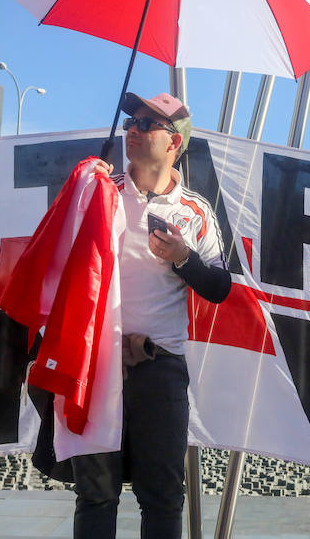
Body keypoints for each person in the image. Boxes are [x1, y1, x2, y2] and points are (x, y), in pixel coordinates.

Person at [73, 92, 231, 539]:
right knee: (95, 492)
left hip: (160, 367)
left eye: (147, 123)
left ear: (174, 143)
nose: (133, 129)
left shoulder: (195, 210)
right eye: (130, 121)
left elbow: (220, 288)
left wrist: (184, 257)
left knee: (161, 495)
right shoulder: (101, 193)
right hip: (97, 366)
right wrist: (85, 187)